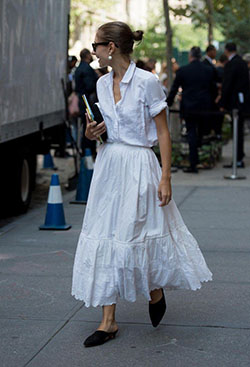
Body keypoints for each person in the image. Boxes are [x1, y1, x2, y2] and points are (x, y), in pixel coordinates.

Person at [71, 22, 212, 348]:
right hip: (109, 165)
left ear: (112, 47)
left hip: (140, 166)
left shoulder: (147, 83)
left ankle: (154, 289)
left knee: (139, 233)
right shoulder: (102, 84)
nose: (94, 52)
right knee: (107, 234)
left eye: (97, 46)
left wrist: (166, 177)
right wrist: (93, 134)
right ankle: (108, 322)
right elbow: (104, 130)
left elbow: (162, 132)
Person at [167, 47, 214, 173]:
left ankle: (194, 162)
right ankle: (197, 158)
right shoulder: (209, 70)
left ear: (190, 56)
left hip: (189, 107)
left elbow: (175, 88)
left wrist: (168, 103)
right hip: (204, 106)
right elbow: (213, 88)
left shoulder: (183, 70)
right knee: (200, 132)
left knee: (191, 133)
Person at [220, 42, 250, 168]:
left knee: (236, 130)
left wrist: (223, 103)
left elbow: (228, 85)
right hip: (242, 101)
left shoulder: (231, 64)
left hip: (234, 103)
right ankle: (239, 156)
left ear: (227, 51)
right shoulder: (243, 63)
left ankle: (237, 158)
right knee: (239, 130)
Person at [75, 48, 98, 157]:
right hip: (87, 101)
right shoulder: (87, 69)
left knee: (85, 126)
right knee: (89, 126)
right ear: (87, 56)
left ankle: (85, 150)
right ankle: (88, 151)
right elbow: (90, 86)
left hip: (82, 100)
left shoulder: (79, 68)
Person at [203, 45, 222, 139]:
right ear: (209, 52)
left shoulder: (210, 63)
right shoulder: (206, 64)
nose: (215, 53)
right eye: (214, 51)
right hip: (209, 95)